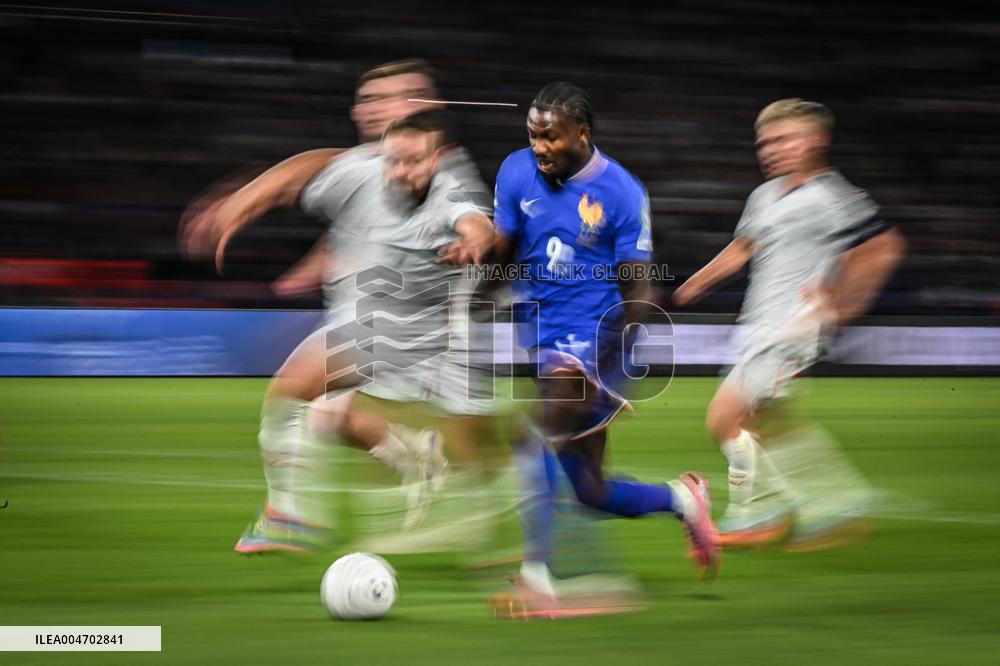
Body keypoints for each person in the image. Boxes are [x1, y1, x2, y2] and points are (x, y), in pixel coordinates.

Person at [180, 61, 496, 552]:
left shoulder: (442, 172)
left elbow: (469, 216)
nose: (370, 109)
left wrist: (476, 240)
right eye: (366, 100)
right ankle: (418, 459)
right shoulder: (375, 164)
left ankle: (293, 517)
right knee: (327, 419)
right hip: (387, 322)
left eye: (387, 98)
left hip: (407, 327)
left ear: (424, 106)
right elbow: (329, 184)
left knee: (292, 389)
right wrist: (312, 255)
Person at [487, 82, 720, 616]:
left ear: (582, 134)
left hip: (595, 345)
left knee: (530, 434)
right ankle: (682, 499)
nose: (539, 147)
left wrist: (605, 368)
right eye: (533, 135)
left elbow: (638, 291)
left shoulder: (621, 191)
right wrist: (476, 268)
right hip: (542, 341)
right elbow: (503, 254)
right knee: (590, 492)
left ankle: (539, 579)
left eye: (550, 137)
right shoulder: (515, 171)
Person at [674, 98, 906, 550]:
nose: (771, 150)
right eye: (765, 142)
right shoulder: (763, 196)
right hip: (756, 324)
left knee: (725, 417)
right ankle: (838, 507)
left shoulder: (832, 195)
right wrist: (696, 282)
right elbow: (744, 248)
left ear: (816, 140)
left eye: (783, 140)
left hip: (791, 329)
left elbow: (884, 248)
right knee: (764, 423)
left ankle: (760, 515)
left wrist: (842, 303)